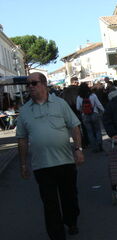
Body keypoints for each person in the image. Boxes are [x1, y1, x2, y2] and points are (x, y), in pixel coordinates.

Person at [16, 72, 84, 240]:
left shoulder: (60, 104)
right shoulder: (24, 111)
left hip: (65, 161)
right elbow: (22, 139)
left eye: (34, 83)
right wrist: (23, 164)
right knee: (50, 203)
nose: (30, 87)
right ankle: (57, 235)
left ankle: (71, 221)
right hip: (42, 165)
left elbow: (74, 127)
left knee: (69, 197)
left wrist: (78, 149)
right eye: (28, 84)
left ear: (44, 84)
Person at [76, 83, 104, 152]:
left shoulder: (79, 97)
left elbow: (77, 107)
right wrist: (103, 110)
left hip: (85, 115)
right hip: (94, 113)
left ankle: (94, 147)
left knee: (90, 132)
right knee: (97, 130)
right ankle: (99, 145)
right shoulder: (93, 95)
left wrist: (82, 110)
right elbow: (98, 104)